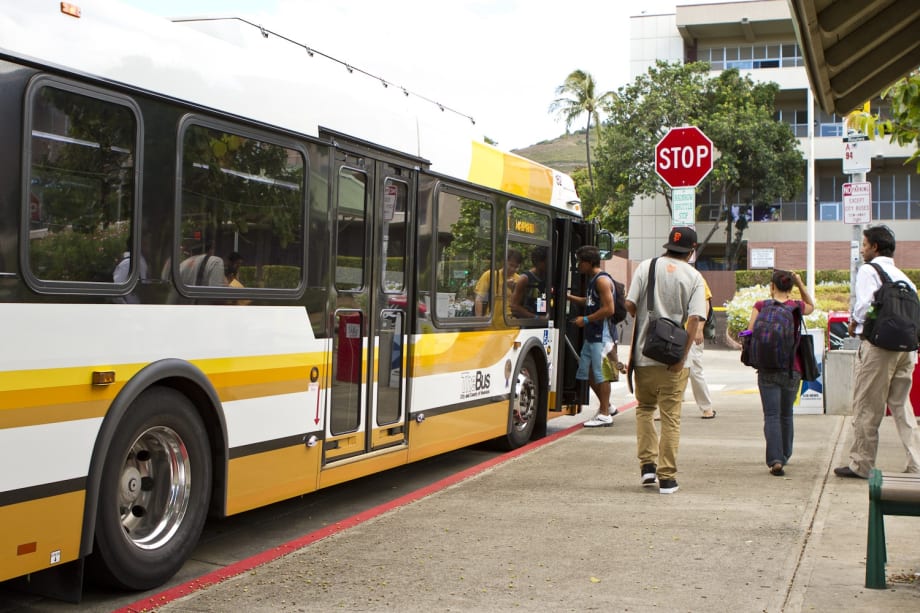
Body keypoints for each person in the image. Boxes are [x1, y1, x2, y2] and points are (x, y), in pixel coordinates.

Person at [835, 225, 920, 479]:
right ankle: (916, 462)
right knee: (902, 407)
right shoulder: (904, 278)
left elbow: (865, 307)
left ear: (874, 247)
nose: (862, 250)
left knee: (867, 407)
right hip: (907, 349)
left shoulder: (869, 270)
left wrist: (854, 322)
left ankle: (861, 465)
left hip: (879, 348)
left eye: (864, 245)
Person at [625, 227, 706, 494]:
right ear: (691, 251)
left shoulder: (646, 267)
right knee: (670, 417)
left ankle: (647, 467)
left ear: (668, 245)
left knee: (645, 409)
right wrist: (681, 358)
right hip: (672, 361)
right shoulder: (694, 277)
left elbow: (630, 305)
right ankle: (667, 478)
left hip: (643, 354)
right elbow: (694, 320)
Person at [748, 269, 815, 477]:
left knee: (771, 415)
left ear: (772, 286)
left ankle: (775, 459)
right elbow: (812, 306)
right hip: (791, 369)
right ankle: (785, 454)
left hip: (767, 368)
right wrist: (801, 283)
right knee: (786, 414)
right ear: (791, 287)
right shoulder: (796, 307)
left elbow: (750, 332)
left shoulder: (761, 306)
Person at [567, 245, 617, 428]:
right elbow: (589, 302)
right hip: (592, 335)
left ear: (588, 262)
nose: (579, 265)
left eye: (580, 261)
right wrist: (569, 298)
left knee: (601, 374)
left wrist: (586, 320)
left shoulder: (602, 281)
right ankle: (608, 407)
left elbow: (609, 309)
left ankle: (604, 414)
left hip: (602, 335)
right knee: (587, 372)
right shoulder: (593, 280)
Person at [688, 276, 716, 419]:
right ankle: (664, 408)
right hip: (669, 331)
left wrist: (699, 328)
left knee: (695, 370)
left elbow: (705, 303)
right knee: (667, 371)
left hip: (691, 331)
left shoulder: (696, 277)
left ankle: (706, 407)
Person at [474, 249, 522, 317]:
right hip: (491, 323)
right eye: (511, 265)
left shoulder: (519, 279)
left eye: (516, 267)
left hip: (511, 323)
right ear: (504, 262)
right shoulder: (490, 275)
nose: (513, 269)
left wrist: (513, 289)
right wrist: (479, 320)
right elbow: (479, 299)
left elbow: (519, 304)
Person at [510, 246, 548, 318]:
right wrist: (536, 317)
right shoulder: (525, 279)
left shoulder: (546, 277)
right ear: (538, 262)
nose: (549, 265)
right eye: (546, 262)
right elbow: (514, 307)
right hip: (528, 324)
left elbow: (541, 301)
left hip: (542, 322)